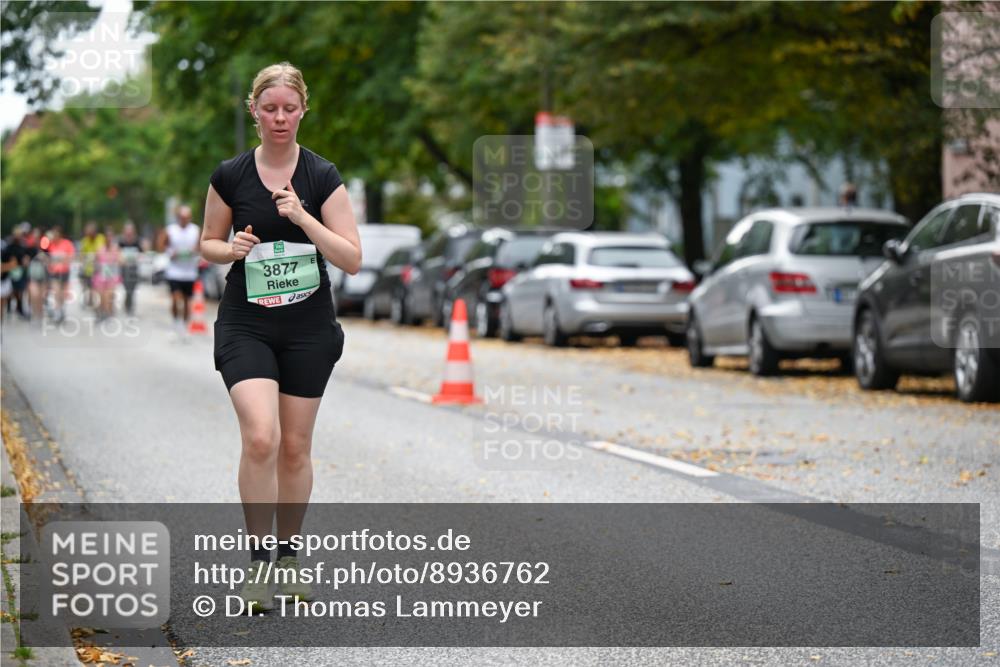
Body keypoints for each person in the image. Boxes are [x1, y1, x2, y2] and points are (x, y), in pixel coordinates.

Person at [201, 61, 360, 611]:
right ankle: (258, 567)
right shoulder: (230, 175)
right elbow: (208, 243)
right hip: (246, 321)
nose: (280, 118)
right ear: (254, 111)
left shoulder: (322, 176)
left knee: (295, 447)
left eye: (289, 108)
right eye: (269, 108)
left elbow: (353, 259)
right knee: (262, 436)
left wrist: (304, 220)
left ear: (303, 110)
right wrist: (232, 251)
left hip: (308, 328)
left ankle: (290, 559)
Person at [157, 205, 201, 339]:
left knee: (187, 302)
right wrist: (170, 252)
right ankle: (176, 323)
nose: (184, 220)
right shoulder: (170, 230)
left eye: (187, 217)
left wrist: (195, 250)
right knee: (176, 299)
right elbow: (160, 245)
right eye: (182, 217)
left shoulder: (195, 230)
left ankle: (184, 327)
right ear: (178, 218)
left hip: (190, 272)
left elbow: (201, 245)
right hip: (174, 271)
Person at [118, 222, 143, 316]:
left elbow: (142, 253)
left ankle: (130, 303)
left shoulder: (137, 241)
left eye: (130, 231)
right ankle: (128, 303)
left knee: (132, 288)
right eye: (127, 231)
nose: (129, 233)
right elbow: (117, 252)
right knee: (126, 287)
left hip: (134, 268)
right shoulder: (121, 241)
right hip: (124, 268)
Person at [79, 222, 106, 309]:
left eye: (90, 232)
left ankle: (96, 303)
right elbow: (81, 255)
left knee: (95, 288)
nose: (88, 234)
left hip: (97, 268)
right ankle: (89, 300)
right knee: (87, 286)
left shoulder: (100, 238)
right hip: (87, 268)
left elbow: (100, 251)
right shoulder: (85, 241)